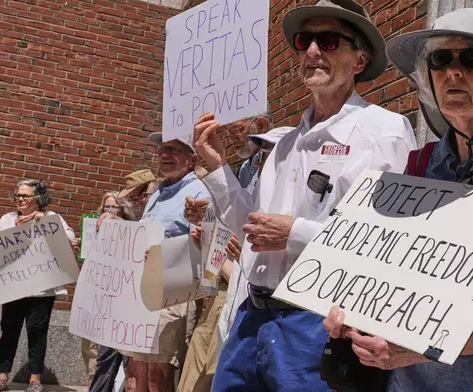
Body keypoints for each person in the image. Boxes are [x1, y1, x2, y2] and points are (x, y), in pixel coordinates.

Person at [323, 8, 473, 392]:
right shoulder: (419, 167)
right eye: (441, 60)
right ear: (429, 78)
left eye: (471, 59)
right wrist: (353, 315)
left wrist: (425, 347)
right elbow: (387, 277)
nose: (453, 72)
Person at [192, 0, 416, 390]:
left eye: (328, 41)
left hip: (316, 327)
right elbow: (251, 228)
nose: (312, 51)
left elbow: (386, 243)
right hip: (252, 320)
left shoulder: (385, 132)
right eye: (304, 40)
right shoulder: (284, 144)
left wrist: (293, 233)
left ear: (359, 62)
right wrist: (216, 169)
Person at [177, 127, 293, 392]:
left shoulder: (291, 215)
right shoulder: (256, 202)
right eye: (261, 156)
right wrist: (207, 234)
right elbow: (233, 241)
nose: (263, 163)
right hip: (236, 316)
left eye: (271, 155)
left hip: (274, 325)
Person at [98, 133, 209, 392]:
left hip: (173, 294)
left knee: (159, 377)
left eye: (173, 149)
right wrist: (121, 227)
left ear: (192, 159)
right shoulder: (158, 192)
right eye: (161, 150)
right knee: (135, 375)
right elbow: (148, 235)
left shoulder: (200, 191)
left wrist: (163, 253)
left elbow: (206, 240)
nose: (165, 154)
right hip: (141, 293)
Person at [0, 179, 77, 392]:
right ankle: (1, 377)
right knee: (9, 331)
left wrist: (43, 222)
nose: (20, 199)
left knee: (37, 332)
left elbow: (70, 238)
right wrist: (12, 233)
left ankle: (35, 380)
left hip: (42, 289)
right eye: (18, 195)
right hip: (14, 287)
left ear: (39, 199)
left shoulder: (52, 217)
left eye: (26, 196)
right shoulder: (7, 220)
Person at [85, 192, 136, 392]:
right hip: (104, 305)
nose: (110, 212)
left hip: (129, 305)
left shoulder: (135, 232)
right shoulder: (95, 231)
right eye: (106, 207)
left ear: (124, 211)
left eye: (115, 208)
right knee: (104, 358)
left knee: (128, 361)